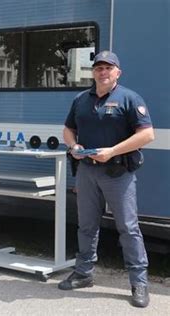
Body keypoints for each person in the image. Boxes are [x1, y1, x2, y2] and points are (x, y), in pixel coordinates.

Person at [59, 51, 154, 308]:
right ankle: (83, 273)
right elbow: (68, 129)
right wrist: (73, 146)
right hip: (87, 172)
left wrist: (112, 151)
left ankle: (139, 283)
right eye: (98, 68)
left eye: (108, 68)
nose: (103, 72)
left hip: (118, 173)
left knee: (128, 228)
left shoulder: (130, 99)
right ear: (93, 72)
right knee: (86, 226)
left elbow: (147, 135)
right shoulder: (81, 99)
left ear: (117, 73)